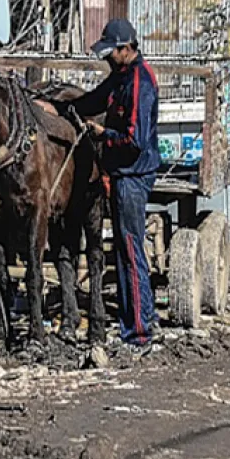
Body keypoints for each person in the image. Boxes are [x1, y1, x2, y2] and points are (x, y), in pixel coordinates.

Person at [59, 18, 161, 345]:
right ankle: (141, 318)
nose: (105, 57)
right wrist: (60, 107)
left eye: (109, 52)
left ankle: (139, 332)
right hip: (122, 174)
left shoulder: (139, 84)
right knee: (125, 249)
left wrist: (104, 134)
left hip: (133, 175)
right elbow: (92, 100)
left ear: (125, 48)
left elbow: (135, 141)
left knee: (130, 252)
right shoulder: (119, 78)